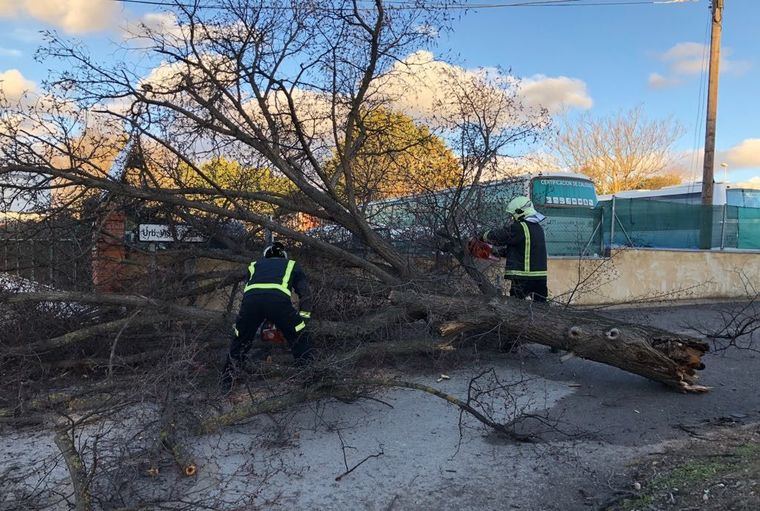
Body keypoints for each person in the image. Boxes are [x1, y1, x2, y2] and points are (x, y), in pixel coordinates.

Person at [222, 241, 314, 392]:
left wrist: (251, 318)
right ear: (283, 255)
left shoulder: (254, 265)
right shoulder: (291, 265)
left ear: (265, 255)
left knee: (240, 340)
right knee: (299, 337)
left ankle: (227, 384)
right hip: (278, 302)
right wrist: (303, 319)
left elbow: (253, 292)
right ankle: (310, 379)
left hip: (251, 303)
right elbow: (305, 294)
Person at [481, 196, 548, 302]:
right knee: (541, 309)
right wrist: (495, 252)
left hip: (523, 277)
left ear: (520, 211)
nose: (512, 218)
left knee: (517, 307)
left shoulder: (520, 227)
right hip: (539, 277)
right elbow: (521, 250)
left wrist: (483, 236)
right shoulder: (537, 228)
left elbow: (501, 235)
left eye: (513, 215)